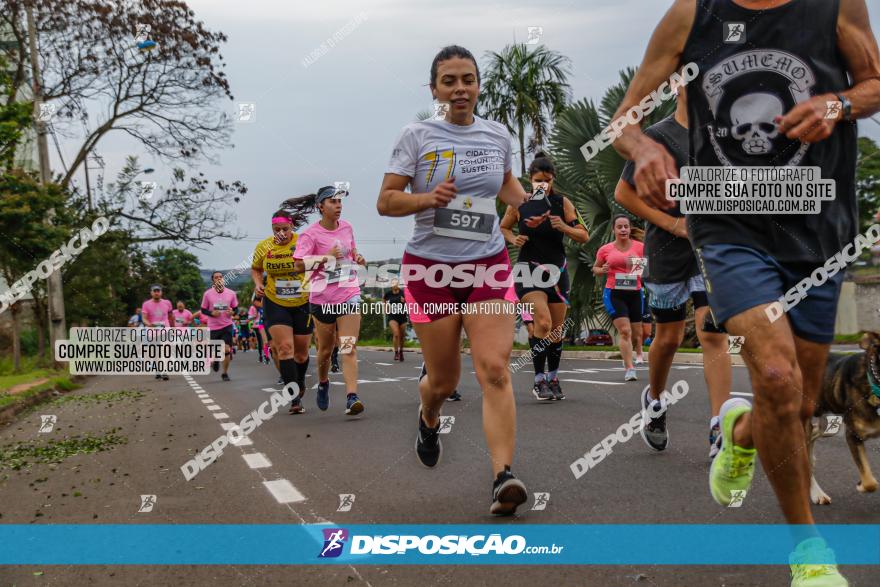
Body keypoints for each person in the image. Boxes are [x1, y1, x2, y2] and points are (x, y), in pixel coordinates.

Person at [612, 0, 879, 583]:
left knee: (801, 403)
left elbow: (874, 85)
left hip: (818, 225)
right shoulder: (691, 13)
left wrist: (836, 102)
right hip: (729, 225)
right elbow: (623, 120)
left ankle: (739, 429)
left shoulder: (838, 5)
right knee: (778, 378)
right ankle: (810, 554)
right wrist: (645, 148)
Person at [378, 45, 532, 515]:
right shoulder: (417, 135)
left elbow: (505, 185)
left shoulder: (496, 134)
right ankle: (428, 416)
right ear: (435, 90)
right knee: (443, 381)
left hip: (487, 264)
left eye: (468, 79)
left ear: (478, 86)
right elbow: (386, 201)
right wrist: (426, 199)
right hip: (429, 270)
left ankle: (503, 477)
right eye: (450, 81)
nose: (460, 88)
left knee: (494, 369)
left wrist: (530, 204)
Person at [614, 90, 732, 456]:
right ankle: (655, 400)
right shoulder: (658, 136)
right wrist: (673, 223)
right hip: (666, 253)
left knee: (712, 330)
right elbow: (624, 193)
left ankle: (719, 427)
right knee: (668, 339)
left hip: (711, 249)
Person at [500, 151, 588, 401]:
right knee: (544, 323)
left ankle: (553, 378)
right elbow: (503, 227)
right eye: (538, 180)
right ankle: (539, 379)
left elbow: (584, 235)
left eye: (547, 180)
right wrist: (513, 237)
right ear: (530, 180)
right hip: (529, 270)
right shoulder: (520, 203)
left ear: (553, 180)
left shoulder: (563, 203)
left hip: (557, 272)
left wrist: (565, 227)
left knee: (557, 331)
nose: (543, 184)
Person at [291, 185, 367, 417]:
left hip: (348, 292)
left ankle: (351, 397)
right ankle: (323, 382)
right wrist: (325, 258)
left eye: (340, 202)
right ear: (320, 206)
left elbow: (351, 252)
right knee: (324, 351)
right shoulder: (310, 234)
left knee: (347, 346)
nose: (338, 206)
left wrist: (358, 257)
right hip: (322, 298)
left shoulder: (347, 227)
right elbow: (298, 265)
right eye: (333, 202)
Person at [251, 206, 314, 414]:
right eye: (276, 230)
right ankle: (294, 398)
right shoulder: (264, 246)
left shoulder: (304, 241)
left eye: (285, 229)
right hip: (275, 301)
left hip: (304, 302)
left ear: (292, 226)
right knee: (285, 348)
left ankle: (300, 379)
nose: (281, 234)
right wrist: (258, 283)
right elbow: (256, 268)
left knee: (302, 355)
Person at [593, 215, 645, 382]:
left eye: (626, 227)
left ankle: (629, 354)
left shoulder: (640, 247)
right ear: (614, 230)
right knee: (625, 331)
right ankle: (630, 368)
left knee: (637, 334)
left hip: (635, 292)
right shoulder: (605, 249)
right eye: (619, 227)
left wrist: (643, 269)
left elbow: (646, 269)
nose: (623, 229)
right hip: (614, 293)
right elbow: (596, 268)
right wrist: (603, 269)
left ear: (630, 229)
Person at [200, 272, 239, 382]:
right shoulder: (208, 294)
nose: (219, 279)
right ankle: (216, 360)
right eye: (216, 277)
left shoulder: (231, 293)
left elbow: (236, 309)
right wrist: (211, 313)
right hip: (213, 327)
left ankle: (225, 373)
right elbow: (203, 309)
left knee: (226, 349)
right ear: (213, 281)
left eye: (221, 277)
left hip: (227, 325)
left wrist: (232, 312)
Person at [141, 285, 173, 380]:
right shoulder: (146, 304)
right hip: (152, 332)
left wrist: (171, 327)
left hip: (165, 330)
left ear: (161, 292)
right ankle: (158, 370)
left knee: (165, 350)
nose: (156, 293)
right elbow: (144, 318)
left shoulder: (167, 303)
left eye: (158, 291)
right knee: (155, 353)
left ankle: (164, 371)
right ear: (151, 293)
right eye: (154, 291)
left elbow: (170, 316)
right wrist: (149, 324)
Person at [384, 279, 409, 361]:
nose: (395, 285)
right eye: (393, 283)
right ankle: (396, 352)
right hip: (392, 316)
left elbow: (409, 302)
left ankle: (401, 351)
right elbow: (384, 300)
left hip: (402, 316)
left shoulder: (403, 293)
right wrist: (386, 308)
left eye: (396, 283)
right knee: (396, 334)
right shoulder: (388, 294)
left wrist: (405, 301)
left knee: (402, 336)